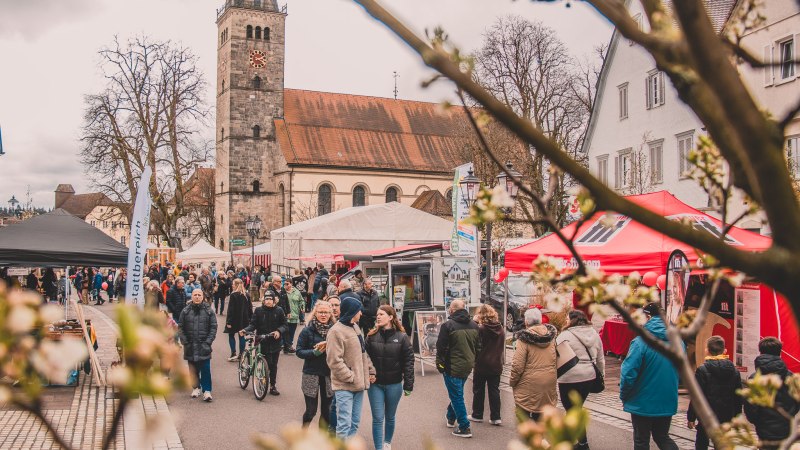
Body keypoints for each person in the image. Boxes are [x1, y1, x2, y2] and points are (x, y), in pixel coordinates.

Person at [620, 302, 681, 450]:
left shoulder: (640, 342)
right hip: (667, 397)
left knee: (641, 440)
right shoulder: (678, 342)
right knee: (662, 436)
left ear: (648, 317)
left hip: (643, 400)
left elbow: (628, 373)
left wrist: (624, 395)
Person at [326, 294, 376, 440]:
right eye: (358, 310)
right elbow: (334, 361)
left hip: (359, 385)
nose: (361, 313)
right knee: (344, 424)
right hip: (344, 386)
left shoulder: (355, 327)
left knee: (354, 423)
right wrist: (351, 377)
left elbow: (362, 353)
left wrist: (370, 370)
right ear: (352, 312)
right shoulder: (336, 331)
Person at [366, 305, 414, 450]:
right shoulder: (371, 336)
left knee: (390, 416)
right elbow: (364, 358)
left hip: (394, 384)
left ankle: (387, 442)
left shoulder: (402, 337)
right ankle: (379, 447)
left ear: (391, 317)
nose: (378, 317)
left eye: (381, 314)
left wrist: (408, 385)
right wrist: (369, 373)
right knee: (378, 418)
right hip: (375, 385)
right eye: (377, 314)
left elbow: (409, 361)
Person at [556, 310, 605, 450]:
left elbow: (556, 355)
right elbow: (600, 359)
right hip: (589, 376)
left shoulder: (565, 335)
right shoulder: (594, 334)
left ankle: (582, 444)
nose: (566, 320)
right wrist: (601, 375)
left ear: (572, 320)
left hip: (569, 377)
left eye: (567, 318)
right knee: (575, 409)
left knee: (572, 410)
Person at [687, 335, 742, 450]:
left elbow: (697, 396)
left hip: (706, 416)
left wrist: (691, 417)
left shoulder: (702, 370)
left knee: (701, 444)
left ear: (707, 350)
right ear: (724, 350)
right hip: (726, 416)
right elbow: (738, 397)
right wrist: (736, 416)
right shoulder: (734, 371)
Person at [436, 299, 480, 438]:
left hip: (452, 366)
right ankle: (450, 417)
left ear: (452, 309)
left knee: (457, 396)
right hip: (467, 365)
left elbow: (440, 348)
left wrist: (440, 365)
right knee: (457, 392)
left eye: (450, 307)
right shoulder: (474, 325)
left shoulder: (448, 325)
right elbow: (478, 347)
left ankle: (464, 427)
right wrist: (473, 360)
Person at [744, 337, 799, 449]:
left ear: (761, 352)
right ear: (779, 352)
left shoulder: (755, 378)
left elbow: (750, 405)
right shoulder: (790, 376)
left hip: (763, 427)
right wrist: (789, 416)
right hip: (785, 426)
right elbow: (796, 401)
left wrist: (756, 420)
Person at [510, 308, 558, 423]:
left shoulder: (524, 339)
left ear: (526, 322)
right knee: (541, 416)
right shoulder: (551, 337)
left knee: (523, 415)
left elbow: (518, 365)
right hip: (548, 381)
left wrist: (512, 381)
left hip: (528, 383)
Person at [296, 300, 335, 428]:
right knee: (311, 411)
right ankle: (304, 434)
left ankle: (321, 441)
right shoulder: (307, 331)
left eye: (326, 312)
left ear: (330, 314)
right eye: (320, 312)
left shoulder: (335, 331)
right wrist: (314, 352)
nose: (323, 315)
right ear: (315, 313)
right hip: (311, 373)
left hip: (329, 374)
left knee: (327, 412)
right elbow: (299, 351)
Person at [242, 291, 287, 395]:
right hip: (262, 340)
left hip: (275, 341)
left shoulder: (279, 311)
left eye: (270, 299)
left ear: (274, 300)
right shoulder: (258, 310)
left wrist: (279, 331)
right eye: (266, 299)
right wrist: (245, 330)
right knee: (266, 362)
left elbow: (285, 325)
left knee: (273, 365)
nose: (268, 301)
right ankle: (263, 380)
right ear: (263, 300)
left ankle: (272, 386)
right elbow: (253, 324)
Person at [178, 289, 217, 402]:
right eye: (195, 295)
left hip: (204, 345)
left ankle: (207, 391)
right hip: (190, 345)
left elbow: (213, 327)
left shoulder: (209, 310)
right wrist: (185, 341)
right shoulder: (185, 311)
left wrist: (208, 341)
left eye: (199, 295)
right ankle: (196, 388)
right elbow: (180, 327)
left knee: (205, 368)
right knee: (192, 369)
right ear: (192, 296)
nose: (197, 297)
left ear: (202, 296)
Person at [469, 304, 504, 426]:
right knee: (494, 390)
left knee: (478, 390)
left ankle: (477, 414)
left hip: (482, 363)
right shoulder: (500, 329)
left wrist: (474, 322)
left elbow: (475, 344)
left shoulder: (481, 329)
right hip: (496, 364)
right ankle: (496, 417)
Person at [225, 279, 252, 361]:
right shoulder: (246, 295)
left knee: (231, 335)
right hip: (244, 319)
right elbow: (250, 308)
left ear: (236, 285)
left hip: (234, 319)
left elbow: (231, 309)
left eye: (233, 284)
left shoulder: (233, 295)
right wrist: (251, 319)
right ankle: (241, 354)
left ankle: (233, 353)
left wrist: (229, 321)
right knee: (241, 336)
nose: (232, 285)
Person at [284, 279, 304, 354]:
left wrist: (302, 307)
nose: (286, 285)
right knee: (285, 332)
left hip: (294, 315)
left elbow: (301, 301)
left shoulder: (297, 292)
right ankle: (287, 346)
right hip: (285, 316)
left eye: (287, 284)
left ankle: (288, 346)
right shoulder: (283, 292)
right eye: (285, 284)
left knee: (291, 332)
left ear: (291, 284)